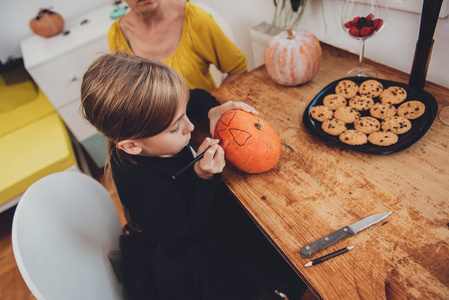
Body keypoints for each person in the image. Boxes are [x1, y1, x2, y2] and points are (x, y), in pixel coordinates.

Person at [81, 53, 307, 299]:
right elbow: (188, 227)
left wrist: (213, 110)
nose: (189, 126)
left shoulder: (158, 115)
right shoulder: (140, 185)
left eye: (184, 115)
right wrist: (203, 177)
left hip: (197, 214)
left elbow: (195, 95)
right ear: (132, 146)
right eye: (176, 127)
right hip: (188, 248)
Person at [107, 0, 247, 92]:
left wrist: (211, 109)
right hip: (154, 131)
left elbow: (238, 70)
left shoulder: (195, 19)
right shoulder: (117, 34)